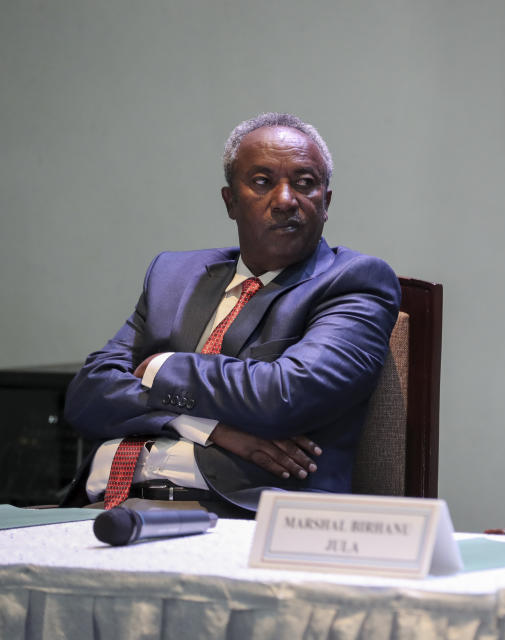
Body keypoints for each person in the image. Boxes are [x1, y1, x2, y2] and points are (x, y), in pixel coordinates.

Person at [61, 113, 401, 517]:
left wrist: (161, 367)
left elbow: (284, 395)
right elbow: (88, 395)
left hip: (238, 515)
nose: (286, 200)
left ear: (325, 203)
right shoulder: (173, 275)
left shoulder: (354, 282)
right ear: (231, 202)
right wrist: (207, 428)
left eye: (305, 183)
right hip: (100, 505)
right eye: (262, 182)